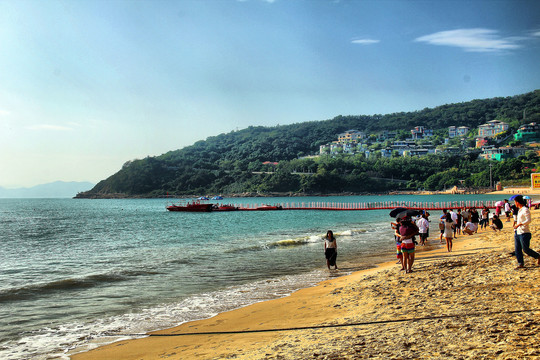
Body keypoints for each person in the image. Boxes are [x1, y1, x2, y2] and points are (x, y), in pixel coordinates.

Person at [512, 195, 540, 269]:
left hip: (524, 232)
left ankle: (538, 256)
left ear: (517, 202)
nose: (515, 203)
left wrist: (520, 224)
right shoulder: (520, 210)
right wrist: (516, 225)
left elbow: (528, 220)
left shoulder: (525, 210)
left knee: (526, 249)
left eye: (515, 202)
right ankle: (520, 263)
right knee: (517, 249)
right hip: (517, 232)